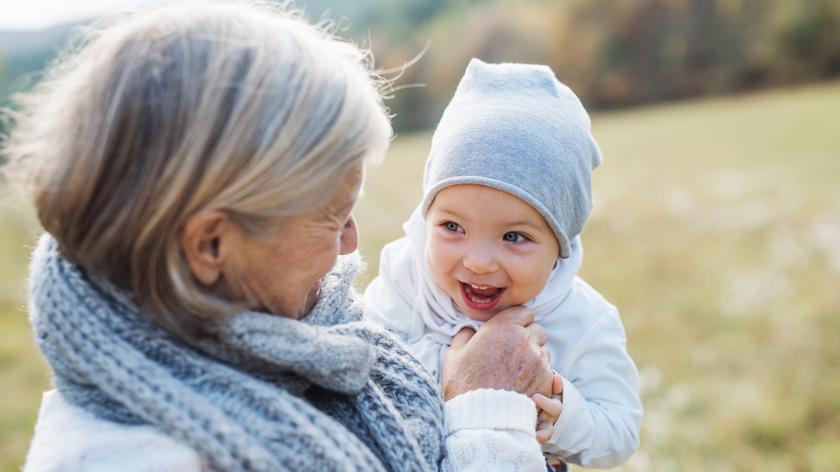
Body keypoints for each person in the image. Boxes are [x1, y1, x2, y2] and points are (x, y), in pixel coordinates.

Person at [2, 3, 554, 471]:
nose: (351, 243)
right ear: (211, 246)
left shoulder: (299, 330)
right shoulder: (134, 458)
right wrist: (488, 422)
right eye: (333, 217)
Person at [364, 58, 644, 469]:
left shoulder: (584, 320)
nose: (477, 262)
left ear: (559, 245)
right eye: (452, 226)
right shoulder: (406, 279)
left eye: (514, 237)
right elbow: (367, 367)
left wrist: (560, 413)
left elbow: (621, 432)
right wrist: (456, 371)